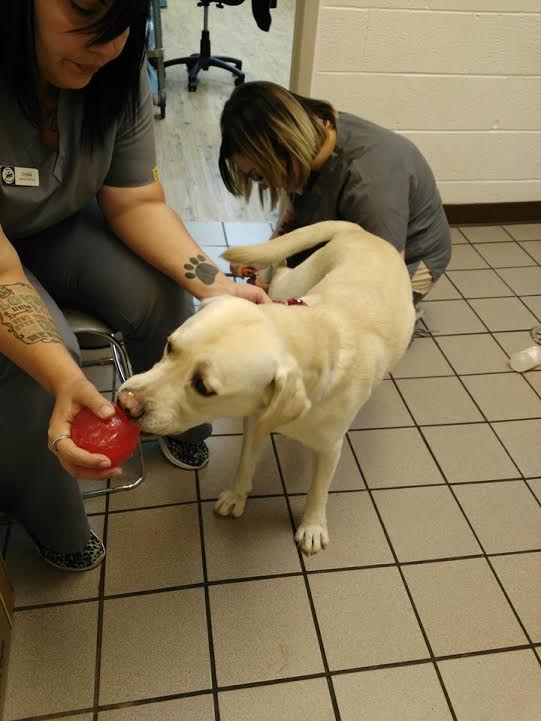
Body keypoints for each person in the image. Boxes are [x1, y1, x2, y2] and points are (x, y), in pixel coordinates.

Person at [0, 0, 269, 572]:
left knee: (164, 295)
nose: (109, 44)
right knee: (40, 369)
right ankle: (58, 527)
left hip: (59, 226)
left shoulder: (117, 76)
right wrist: (65, 375)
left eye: (123, 22)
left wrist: (216, 286)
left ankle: (183, 424)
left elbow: (137, 202)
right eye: (86, 10)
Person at [219, 81, 451, 302]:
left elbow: (382, 277)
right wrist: (265, 258)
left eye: (260, 176)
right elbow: (297, 209)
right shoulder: (311, 138)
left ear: (286, 148)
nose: (266, 185)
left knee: (358, 330)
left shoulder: (370, 181)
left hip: (407, 261)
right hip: (349, 239)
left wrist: (285, 296)